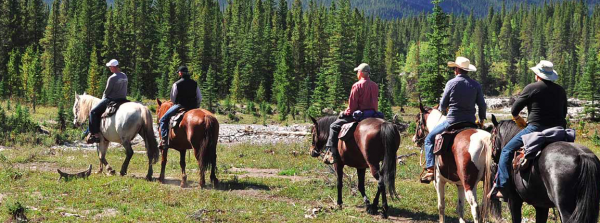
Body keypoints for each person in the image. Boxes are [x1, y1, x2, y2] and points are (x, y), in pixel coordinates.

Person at [488, 60, 567, 199]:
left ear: (537, 75)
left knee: (506, 150)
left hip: (536, 129)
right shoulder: (560, 90)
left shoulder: (532, 88)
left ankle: (502, 187)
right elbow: (564, 113)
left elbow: (514, 109)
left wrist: (518, 119)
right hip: (558, 131)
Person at [420, 57, 486, 184]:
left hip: (452, 121)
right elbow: (482, 105)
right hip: (470, 122)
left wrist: (442, 108)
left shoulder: (451, 83)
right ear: (467, 71)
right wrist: (481, 119)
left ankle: (430, 169)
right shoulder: (476, 85)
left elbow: (443, 104)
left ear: (456, 69)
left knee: (429, 139)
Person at [322, 63, 379, 164]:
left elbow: (352, 107)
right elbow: (375, 104)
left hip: (360, 115)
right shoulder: (375, 86)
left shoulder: (356, 85)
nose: (357, 73)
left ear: (360, 73)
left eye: (357, 71)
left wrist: (345, 113)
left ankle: (332, 153)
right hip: (372, 114)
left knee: (333, 126)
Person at [159, 66, 202, 150]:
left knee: (163, 119)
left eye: (179, 72)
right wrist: (196, 106)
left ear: (181, 73)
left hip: (180, 105)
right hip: (193, 107)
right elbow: (199, 97)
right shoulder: (194, 83)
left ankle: (164, 140)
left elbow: (172, 99)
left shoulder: (177, 84)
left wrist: (176, 104)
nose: (178, 73)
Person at [86, 59, 128, 143]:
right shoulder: (124, 75)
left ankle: (95, 134)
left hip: (112, 99)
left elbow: (107, 91)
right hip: (123, 99)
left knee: (93, 112)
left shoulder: (112, 78)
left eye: (110, 67)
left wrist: (103, 98)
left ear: (113, 67)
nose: (109, 68)